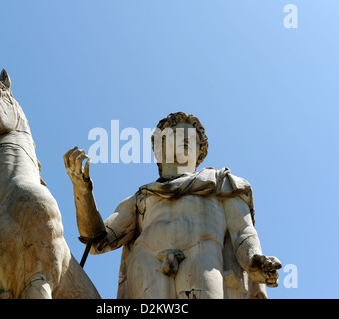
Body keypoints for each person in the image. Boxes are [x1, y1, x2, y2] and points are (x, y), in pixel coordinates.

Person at [64, 112, 281, 299]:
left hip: (204, 265)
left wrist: (255, 260)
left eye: (191, 137)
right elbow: (96, 241)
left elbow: (243, 232)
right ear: (159, 148)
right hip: (147, 270)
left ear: (200, 151)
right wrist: (83, 191)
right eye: (176, 135)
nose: (185, 138)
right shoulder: (141, 200)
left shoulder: (223, 184)